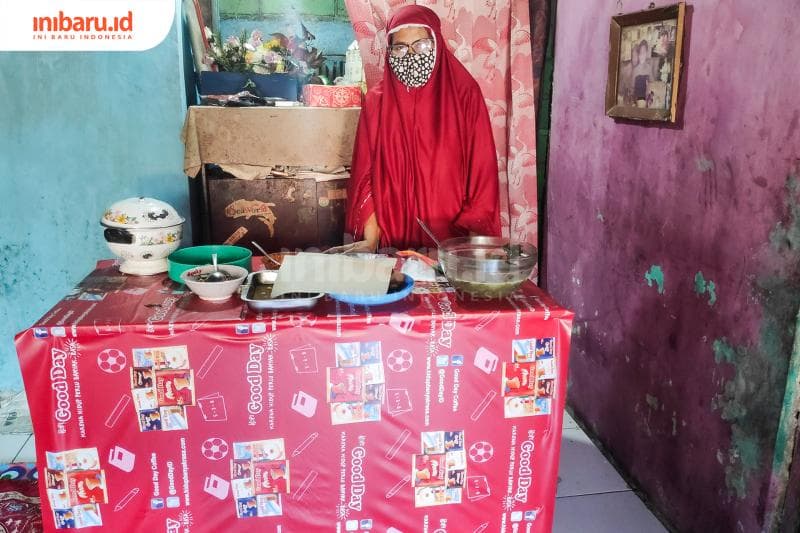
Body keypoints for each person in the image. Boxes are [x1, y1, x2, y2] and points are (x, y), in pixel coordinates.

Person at [344, 5, 501, 251]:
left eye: (421, 45)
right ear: (389, 51)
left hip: (452, 244)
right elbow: (366, 176)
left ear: (436, 43)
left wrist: (469, 250)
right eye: (400, 48)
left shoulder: (465, 95)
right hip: (391, 242)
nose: (411, 55)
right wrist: (371, 241)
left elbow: (483, 175)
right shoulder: (377, 101)